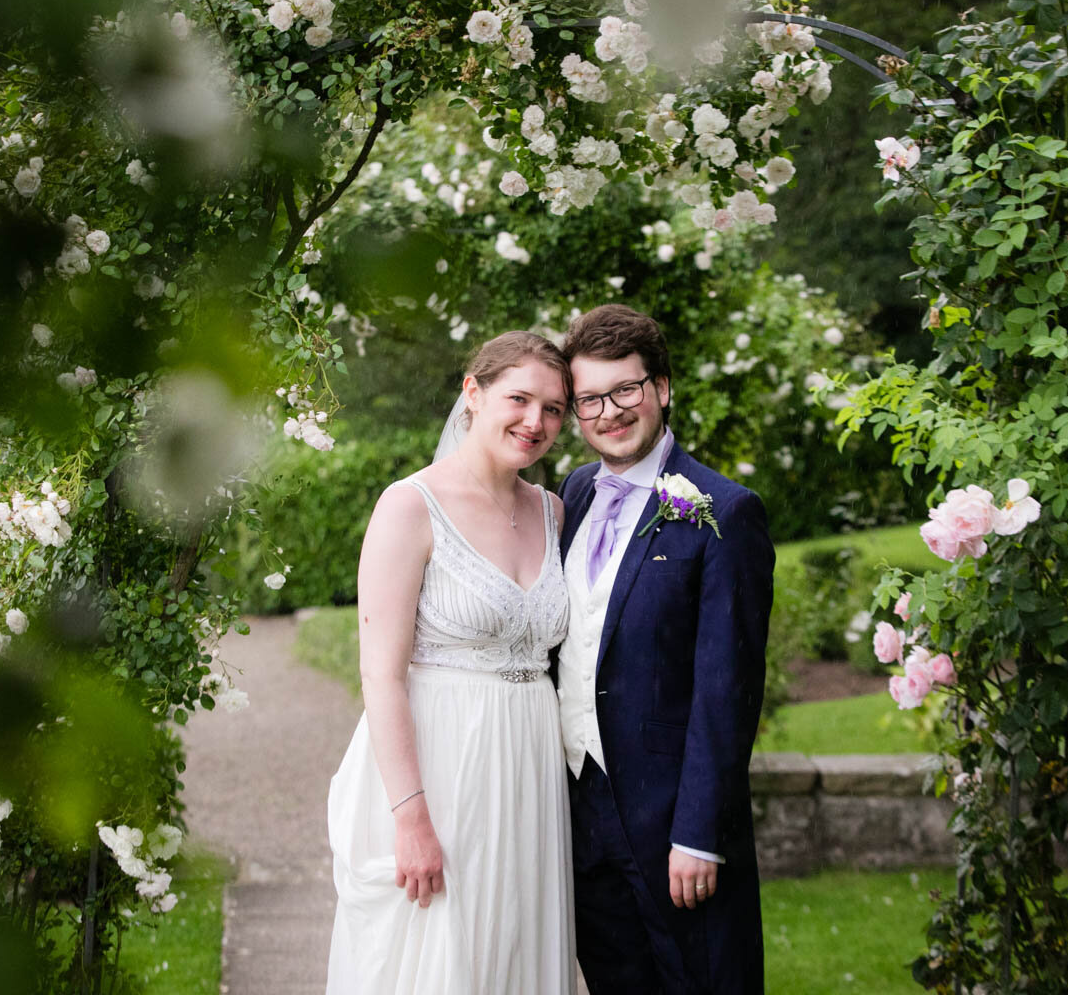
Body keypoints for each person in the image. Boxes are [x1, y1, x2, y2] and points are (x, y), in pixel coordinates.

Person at [325, 331, 576, 994]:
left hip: (532, 765)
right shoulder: (410, 506)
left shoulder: (553, 512)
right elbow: (380, 674)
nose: (536, 422)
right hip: (446, 766)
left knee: (520, 949)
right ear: (473, 392)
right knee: (442, 960)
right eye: (519, 399)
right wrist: (410, 821)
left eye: (553, 409)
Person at [556, 304, 774, 994]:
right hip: (579, 811)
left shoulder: (723, 510)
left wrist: (700, 833)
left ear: (663, 388)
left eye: (626, 389)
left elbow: (726, 690)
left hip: (674, 829)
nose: (610, 411)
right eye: (590, 397)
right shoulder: (574, 492)